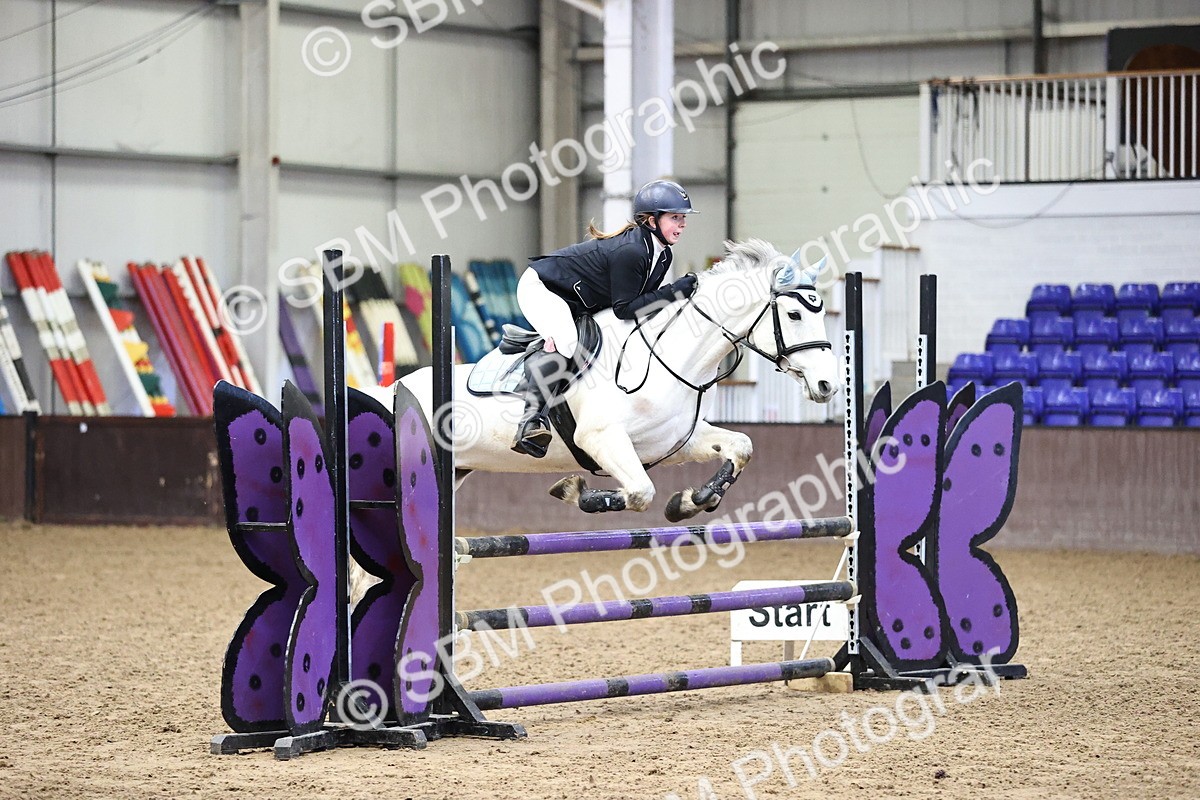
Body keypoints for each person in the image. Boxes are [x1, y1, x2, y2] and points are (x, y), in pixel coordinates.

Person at [510, 179, 700, 458]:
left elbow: (641, 306)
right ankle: (530, 422)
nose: (682, 224)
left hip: (578, 297)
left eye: (683, 218)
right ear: (651, 220)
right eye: (675, 217)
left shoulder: (662, 256)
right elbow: (625, 309)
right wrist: (675, 292)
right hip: (543, 288)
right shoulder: (632, 252)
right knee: (567, 342)